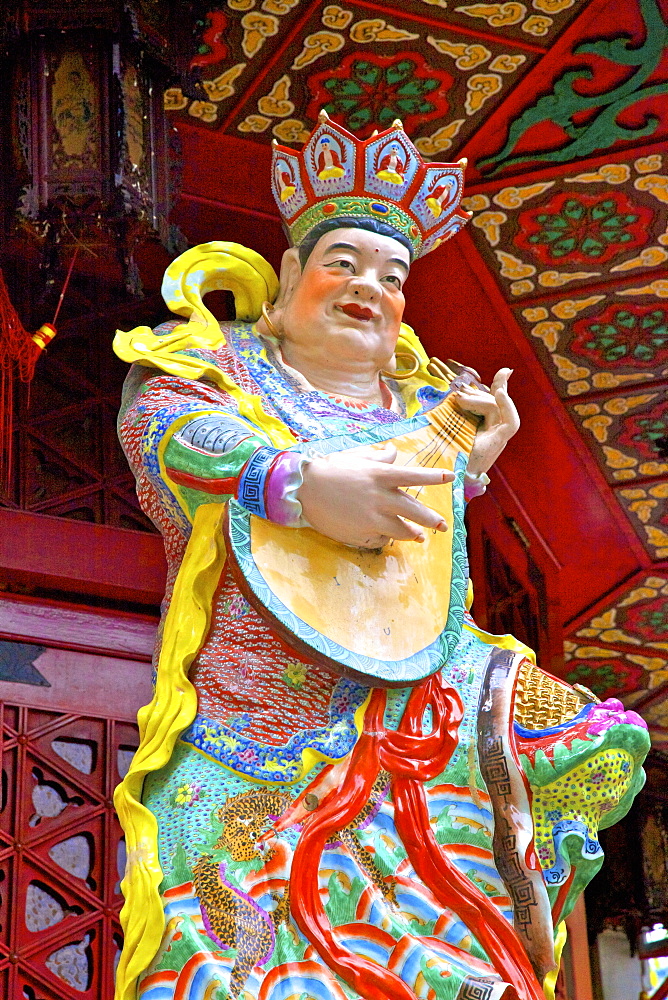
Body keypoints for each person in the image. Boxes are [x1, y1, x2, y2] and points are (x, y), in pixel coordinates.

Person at [113, 115, 650, 1000]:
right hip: (256, 730)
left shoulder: (429, 409)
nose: (370, 287)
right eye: (345, 263)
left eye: (393, 276)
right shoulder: (221, 370)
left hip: (426, 717)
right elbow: (164, 426)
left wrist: (464, 473)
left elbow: (426, 577)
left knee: (577, 747)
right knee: (232, 958)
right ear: (288, 279)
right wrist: (286, 480)